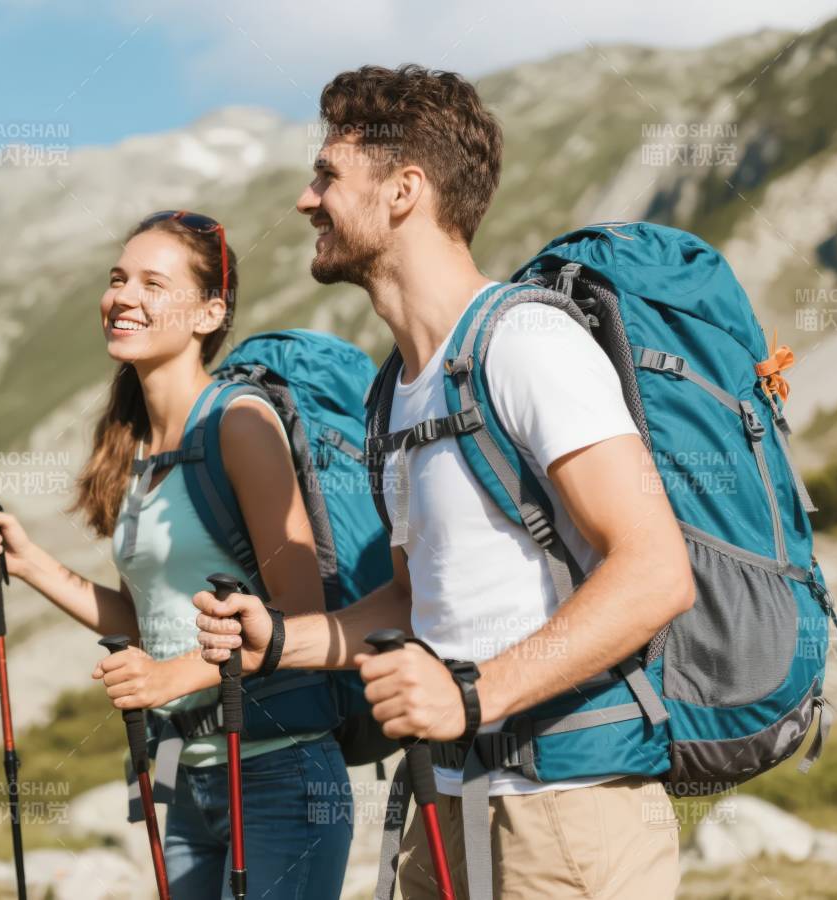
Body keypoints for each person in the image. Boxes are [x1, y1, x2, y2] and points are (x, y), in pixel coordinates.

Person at [193, 65, 694, 899]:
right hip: (447, 799)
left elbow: (653, 570)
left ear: (403, 190)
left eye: (326, 176)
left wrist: (473, 695)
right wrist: (283, 642)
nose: (305, 201)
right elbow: (409, 602)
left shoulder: (526, 342)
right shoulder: (397, 388)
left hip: (566, 809)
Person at [0, 210, 354, 897]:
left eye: (152, 283)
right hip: (183, 772)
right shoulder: (132, 448)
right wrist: (29, 564)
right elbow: (151, 623)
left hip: (280, 772)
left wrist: (174, 678)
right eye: (118, 279)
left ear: (209, 314)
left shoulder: (239, 422)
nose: (123, 297)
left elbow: (299, 610)